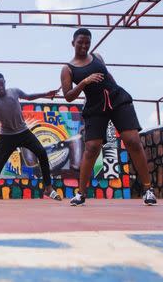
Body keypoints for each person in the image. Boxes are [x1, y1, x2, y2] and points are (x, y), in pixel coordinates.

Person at [61, 28, 157, 206]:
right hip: (95, 107)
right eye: (80, 42)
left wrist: (115, 91)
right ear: (73, 43)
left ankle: (147, 189)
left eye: (87, 42)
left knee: (133, 141)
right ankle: (81, 194)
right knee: (92, 148)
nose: (84, 45)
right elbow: (68, 96)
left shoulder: (97, 56)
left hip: (116, 99)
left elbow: (109, 76)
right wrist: (85, 82)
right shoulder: (68, 68)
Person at [0, 72, 61, 204]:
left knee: (41, 153)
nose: (0, 87)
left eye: (2, 84)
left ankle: (48, 187)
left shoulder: (14, 91)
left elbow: (29, 97)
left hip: (24, 132)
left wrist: (46, 93)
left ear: (5, 82)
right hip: (7, 137)